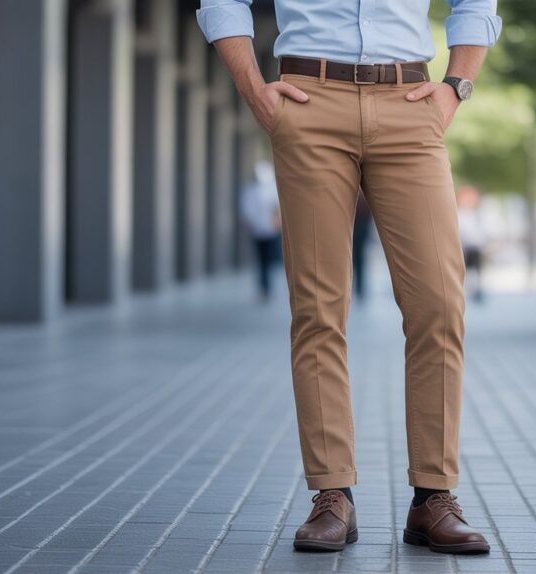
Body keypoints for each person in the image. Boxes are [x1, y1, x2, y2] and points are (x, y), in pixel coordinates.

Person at [198, 0, 501, 555]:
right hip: (308, 97)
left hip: (411, 100)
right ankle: (331, 494)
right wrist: (253, 89)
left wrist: (457, 83)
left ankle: (433, 496)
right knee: (318, 309)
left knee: (438, 301)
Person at [239, 161, 281, 302]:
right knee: (262, 260)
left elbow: (277, 208)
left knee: (268, 260)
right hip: (258, 231)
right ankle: (264, 287)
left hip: (270, 230)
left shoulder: (272, 189)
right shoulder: (250, 190)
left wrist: (276, 222)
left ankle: (266, 286)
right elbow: (247, 211)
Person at [457, 186, 488, 303]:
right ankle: (464, 291)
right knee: (463, 270)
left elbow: (481, 231)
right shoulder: (460, 214)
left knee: (476, 270)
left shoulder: (477, 215)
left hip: (475, 247)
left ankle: (477, 290)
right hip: (464, 247)